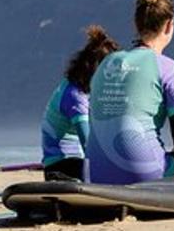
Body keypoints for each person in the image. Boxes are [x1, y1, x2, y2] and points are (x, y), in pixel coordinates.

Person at [86, 0, 174, 184]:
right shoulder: (168, 67)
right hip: (144, 173)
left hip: (95, 174)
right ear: (170, 25)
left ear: (136, 24)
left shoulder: (107, 62)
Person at [40, 25, 120, 181]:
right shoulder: (75, 96)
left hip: (76, 161)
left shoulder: (83, 88)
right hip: (61, 164)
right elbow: (88, 144)